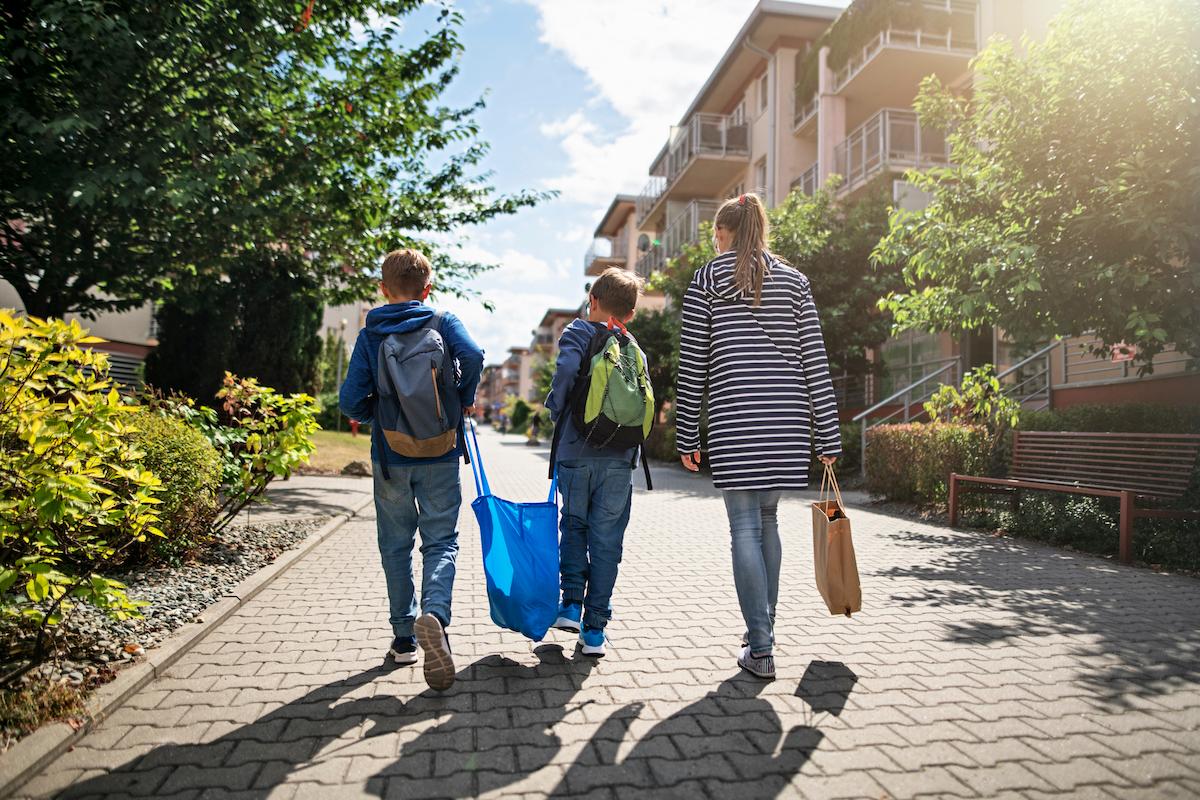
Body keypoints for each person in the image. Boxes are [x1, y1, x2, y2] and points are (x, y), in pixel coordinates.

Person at [675, 194, 840, 680]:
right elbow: (815, 360)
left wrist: (687, 433)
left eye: (715, 235)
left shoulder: (707, 280)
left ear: (723, 233)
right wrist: (827, 433)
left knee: (744, 526)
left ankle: (762, 647)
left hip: (734, 417)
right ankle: (761, 631)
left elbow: (693, 365)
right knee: (768, 520)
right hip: (787, 421)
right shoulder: (795, 281)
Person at [339, 248, 484, 691]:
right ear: (428, 289)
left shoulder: (371, 333)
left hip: (391, 457)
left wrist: (377, 414)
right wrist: (460, 400)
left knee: (395, 546)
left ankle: (403, 640)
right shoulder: (443, 321)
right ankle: (435, 615)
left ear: (383, 290)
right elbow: (474, 355)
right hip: (440, 450)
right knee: (441, 541)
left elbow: (348, 401)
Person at [544, 267, 646, 658]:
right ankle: (595, 631)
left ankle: (570, 605)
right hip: (620, 458)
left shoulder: (578, 332)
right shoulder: (632, 344)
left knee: (573, 525)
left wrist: (558, 409)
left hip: (575, 451)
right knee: (607, 541)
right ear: (631, 312)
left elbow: (567, 371)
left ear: (593, 301)